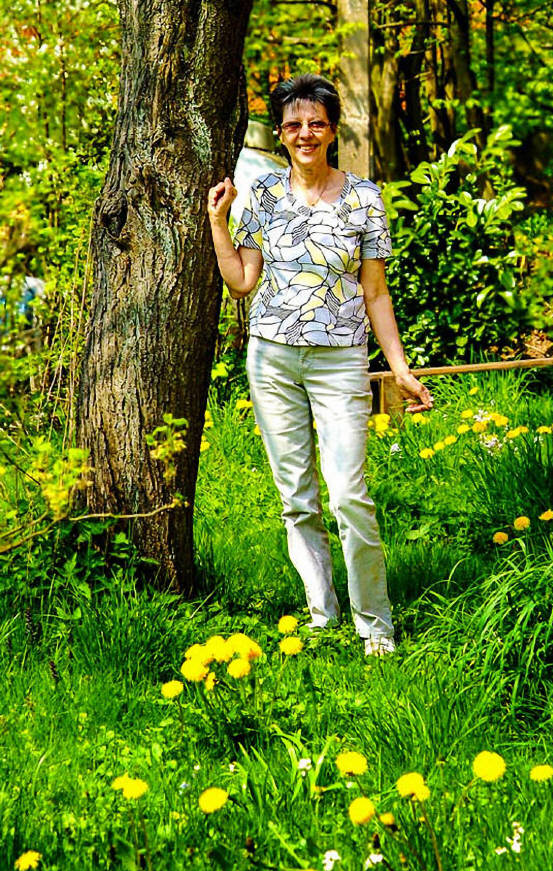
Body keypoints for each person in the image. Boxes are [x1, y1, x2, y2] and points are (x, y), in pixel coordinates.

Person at [208, 74, 433, 656]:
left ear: (332, 130)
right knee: (297, 498)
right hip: (272, 360)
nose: (304, 133)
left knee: (349, 494)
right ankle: (322, 614)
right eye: (293, 125)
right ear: (280, 134)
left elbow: (375, 293)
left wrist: (400, 368)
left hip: (340, 363)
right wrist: (217, 224)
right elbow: (242, 283)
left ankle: (375, 625)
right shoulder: (262, 195)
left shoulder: (364, 198)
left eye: (316, 123)